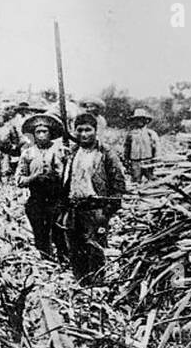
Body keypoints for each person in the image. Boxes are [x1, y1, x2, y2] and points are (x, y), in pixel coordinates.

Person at [63, 113, 126, 286]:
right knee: (75, 249)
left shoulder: (106, 153)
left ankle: (97, 286)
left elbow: (119, 183)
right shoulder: (72, 152)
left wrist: (108, 210)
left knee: (95, 249)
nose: (83, 134)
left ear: (95, 131)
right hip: (75, 207)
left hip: (96, 208)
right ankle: (81, 284)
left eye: (88, 130)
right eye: (80, 130)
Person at [14, 112, 68, 260]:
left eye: (45, 132)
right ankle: (46, 259)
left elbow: (68, 175)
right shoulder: (27, 153)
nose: (42, 135)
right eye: (38, 132)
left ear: (51, 134)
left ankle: (64, 259)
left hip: (56, 198)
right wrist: (33, 177)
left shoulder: (61, 151)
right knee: (40, 231)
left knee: (59, 231)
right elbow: (18, 179)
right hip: (36, 197)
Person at [124, 107, 159, 183]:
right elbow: (127, 148)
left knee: (151, 179)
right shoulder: (131, 134)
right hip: (135, 162)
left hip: (148, 160)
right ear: (134, 121)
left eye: (142, 119)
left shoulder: (150, 133)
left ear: (145, 120)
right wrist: (126, 160)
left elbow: (155, 148)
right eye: (137, 119)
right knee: (136, 180)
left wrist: (155, 160)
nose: (139, 121)